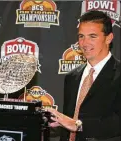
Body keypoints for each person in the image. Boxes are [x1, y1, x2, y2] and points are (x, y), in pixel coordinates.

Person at [47, 10, 121, 141]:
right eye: (81, 36)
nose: (85, 43)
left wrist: (78, 125)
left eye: (92, 36)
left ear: (109, 38)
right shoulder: (72, 77)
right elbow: (69, 122)